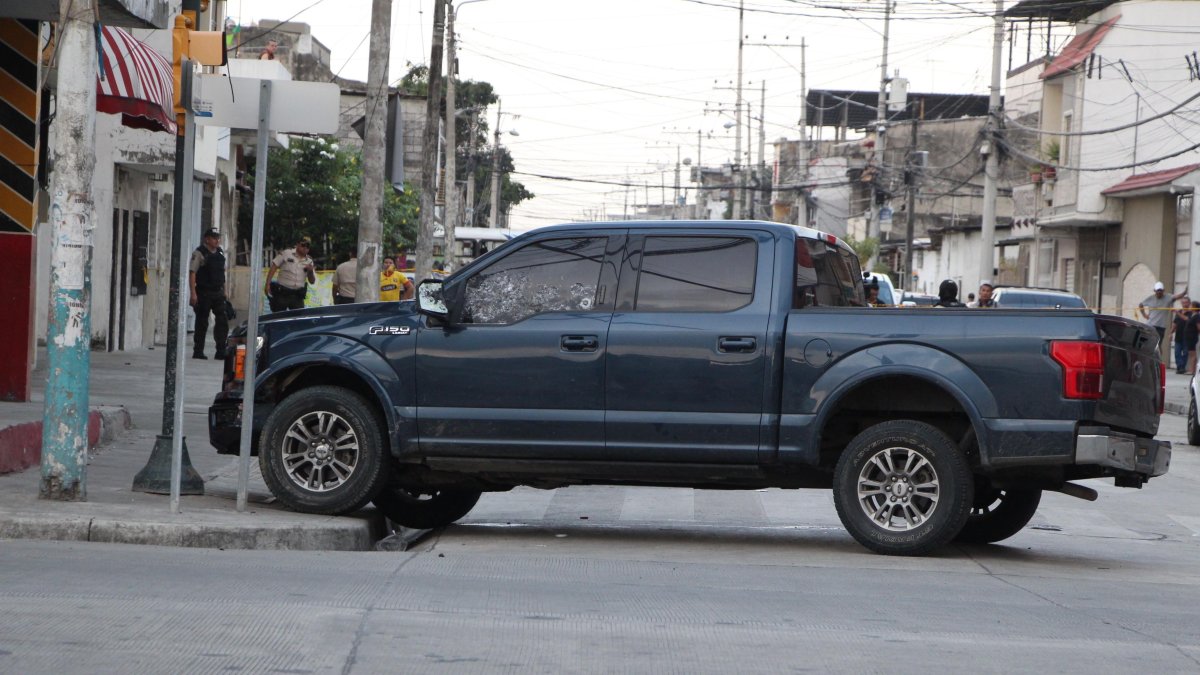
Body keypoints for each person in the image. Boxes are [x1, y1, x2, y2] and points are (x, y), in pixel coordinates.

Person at [188, 228, 229, 360]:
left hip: (218, 292)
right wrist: (193, 293)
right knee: (202, 322)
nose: (217, 240)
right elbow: (192, 273)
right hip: (204, 292)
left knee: (222, 321)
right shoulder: (199, 253)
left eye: (218, 237)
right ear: (207, 239)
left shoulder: (220, 253)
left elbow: (222, 274)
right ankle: (198, 350)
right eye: (214, 238)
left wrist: (225, 291)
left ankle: (221, 351)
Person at [264, 238, 316, 312]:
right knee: (278, 319)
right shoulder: (287, 253)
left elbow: (312, 281)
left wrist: (310, 271)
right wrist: (267, 284)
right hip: (282, 294)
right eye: (303, 245)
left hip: (297, 296)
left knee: (298, 320)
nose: (305, 248)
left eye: (308, 246)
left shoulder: (309, 261)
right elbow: (274, 267)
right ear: (297, 244)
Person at [1138, 281, 1186, 347]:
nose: (1159, 292)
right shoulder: (1150, 298)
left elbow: (1177, 297)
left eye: (1161, 290)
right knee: (1147, 343)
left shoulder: (1168, 297)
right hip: (1150, 325)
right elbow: (1141, 305)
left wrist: (1184, 292)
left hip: (1161, 327)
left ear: (1163, 290)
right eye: (1158, 290)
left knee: (1158, 345)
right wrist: (1144, 315)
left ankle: (1159, 357)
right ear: (1154, 290)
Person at [1173, 300, 1192, 374]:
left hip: (1187, 336)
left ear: (1189, 303)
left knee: (1185, 353)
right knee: (1177, 352)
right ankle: (1179, 367)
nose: (1185, 304)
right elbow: (1175, 323)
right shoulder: (1179, 312)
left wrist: (1177, 312)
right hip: (1178, 335)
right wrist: (1171, 333)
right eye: (1183, 302)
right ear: (1181, 303)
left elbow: (1186, 319)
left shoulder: (1191, 312)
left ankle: (1182, 367)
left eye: (1186, 302)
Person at [1186, 301, 1200, 375]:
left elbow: (1198, 327)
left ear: (1194, 307)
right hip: (1189, 337)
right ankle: (1193, 369)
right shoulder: (1192, 315)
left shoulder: (1197, 316)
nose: (1190, 307)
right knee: (1191, 353)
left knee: (1192, 354)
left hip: (1192, 337)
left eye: (1191, 305)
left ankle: (1192, 370)